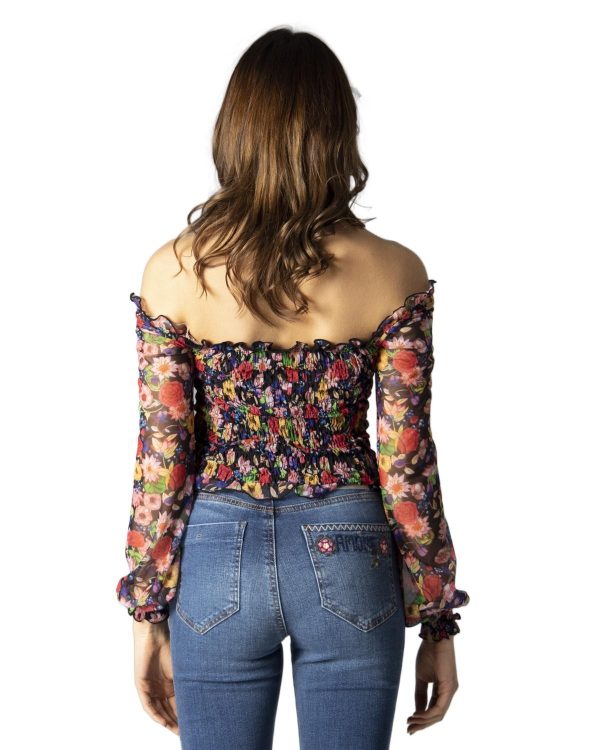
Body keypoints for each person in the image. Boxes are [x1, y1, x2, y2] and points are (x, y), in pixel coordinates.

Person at [115, 26, 470, 750]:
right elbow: (406, 463)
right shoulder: (393, 271)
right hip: (352, 549)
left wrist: (147, 612)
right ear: (339, 133)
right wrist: (437, 621)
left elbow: (162, 459)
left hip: (216, 552)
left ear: (235, 131)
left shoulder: (174, 271)